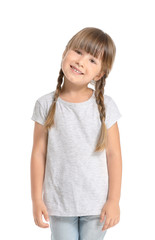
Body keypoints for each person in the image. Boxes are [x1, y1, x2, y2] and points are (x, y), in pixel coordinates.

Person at [30, 27, 122, 240]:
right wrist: (36, 199)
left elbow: (114, 155)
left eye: (92, 60)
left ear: (99, 74)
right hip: (59, 204)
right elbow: (38, 154)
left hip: (97, 206)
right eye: (78, 52)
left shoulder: (106, 106)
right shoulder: (45, 104)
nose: (81, 61)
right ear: (65, 53)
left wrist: (114, 200)